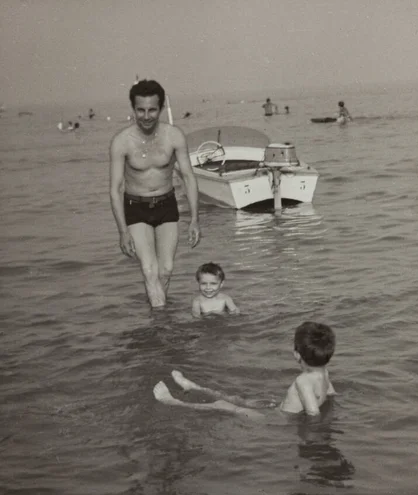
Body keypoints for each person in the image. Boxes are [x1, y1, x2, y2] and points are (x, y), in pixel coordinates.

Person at [109, 79, 200, 308]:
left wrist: (195, 220)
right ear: (133, 109)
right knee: (149, 270)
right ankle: (161, 325)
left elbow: (188, 177)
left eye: (152, 110)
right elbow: (115, 189)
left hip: (166, 204)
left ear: (160, 109)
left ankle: (156, 315)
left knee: (166, 269)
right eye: (141, 110)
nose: (146, 116)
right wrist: (122, 232)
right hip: (136, 207)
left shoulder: (174, 136)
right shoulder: (121, 142)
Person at [154, 321, 336, 419]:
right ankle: (193, 387)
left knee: (223, 405)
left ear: (297, 354)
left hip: (276, 421)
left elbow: (313, 413)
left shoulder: (303, 380)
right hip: (278, 412)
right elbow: (331, 395)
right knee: (240, 400)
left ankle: (173, 402)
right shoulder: (324, 372)